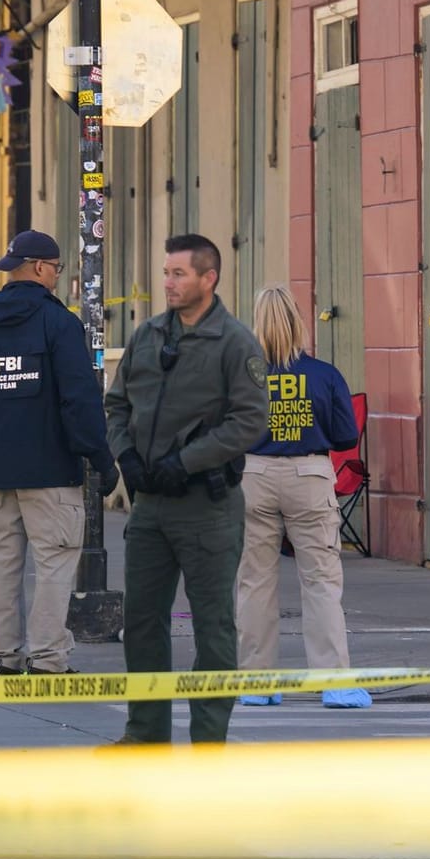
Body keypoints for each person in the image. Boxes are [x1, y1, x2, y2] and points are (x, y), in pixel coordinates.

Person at [105, 234, 269, 745]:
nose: (168, 283)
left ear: (208, 278)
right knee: (142, 622)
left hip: (207, 507)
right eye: (166, 273)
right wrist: (126, 455)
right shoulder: (149, 336)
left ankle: (208, 743)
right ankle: (145, 735)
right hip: (151, 506)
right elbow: (116, 405)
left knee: (213, 626)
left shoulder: (235, 342)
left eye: (179, 274)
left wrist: (187, 461)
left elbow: (249, 422)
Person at [0, 230, 117, 675]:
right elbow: (79, 401)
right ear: (41, 267)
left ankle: (2, 655)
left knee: (2, 566)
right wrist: (100, 458)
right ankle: (47, 659)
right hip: (51, 471)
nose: (58, 278)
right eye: (57, 269)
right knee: (55, 564)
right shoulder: (59, 324)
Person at [234, 286, 368, 710]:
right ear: (298, 321)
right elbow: (347, 435)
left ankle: (257, 682)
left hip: (253, 474)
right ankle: (335, 683)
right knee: (321, 582)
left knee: (254, 583)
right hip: (309, 476)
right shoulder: (324, 375)